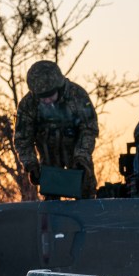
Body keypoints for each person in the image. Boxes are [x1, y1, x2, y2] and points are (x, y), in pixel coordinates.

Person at [15, 60, 100, 199]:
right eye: (42, 98)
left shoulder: (77, 96)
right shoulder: (28, 105)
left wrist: (82, 156)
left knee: (86, 194)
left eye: (50, 95)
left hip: (77, 155)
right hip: (49, 160)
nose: (47, 101)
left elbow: (89, 129)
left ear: (59, 88)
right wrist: (31, 164)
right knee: (51, 204)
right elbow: (23, 139)